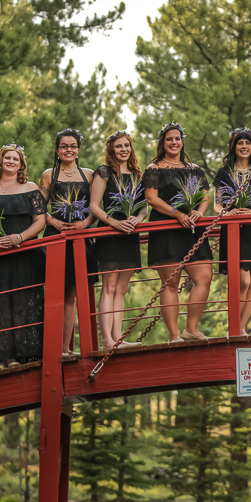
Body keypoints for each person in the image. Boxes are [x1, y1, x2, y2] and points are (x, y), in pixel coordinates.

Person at [0, 144, 47, 371]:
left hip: (26, 256)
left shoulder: (30, 188)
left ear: (21, 164)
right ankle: (1, 359)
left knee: (23, 303)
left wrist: (19, 238)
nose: (11, 162)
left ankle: (21, 357)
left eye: (15, 159)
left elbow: (40, 221)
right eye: (8, 158)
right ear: (0, 161)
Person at [143, 122, 213, 342]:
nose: (174, 142)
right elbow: (151, 198)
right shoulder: (154, 169)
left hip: (192, 228)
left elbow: (205, 196)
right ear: (163, 143)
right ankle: (174, 335)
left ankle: (191, 329)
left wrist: (200, 212)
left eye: (177, 139)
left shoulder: (195, 169)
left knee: (204, 277)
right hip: (166, 228)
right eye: (169, 139)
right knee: (171, 283)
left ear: (182, 142)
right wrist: (176, 214)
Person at [40, 128, 96, 358]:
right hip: (56, 237)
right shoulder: (48, 175)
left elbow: (95, 207)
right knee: (55, 294)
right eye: (64, 146)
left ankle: (65, 349)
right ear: (57, 150)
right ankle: (51, 350)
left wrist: (85, 224)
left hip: (80, 238)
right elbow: (38, 208)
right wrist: (54, 222)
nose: (68, 150)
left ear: (78, 149)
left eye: (73, 146)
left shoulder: (89, 175)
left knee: (71, 296)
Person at [89, 130, 146, 350]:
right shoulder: (104, 172)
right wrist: (114, 223)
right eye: (119, 146)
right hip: (110, 233)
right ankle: (107, 340)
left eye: (127, 145)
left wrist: (138, 219)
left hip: (130, 234)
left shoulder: (137, 174)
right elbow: (94, 206)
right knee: (109, 287)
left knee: (122, 289)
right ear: (111, 149)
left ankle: (118, 338)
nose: (124, 149)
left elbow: (144, 208)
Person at [213, 127, 251, 335]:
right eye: (240, 143)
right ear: (234, 146)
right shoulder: (223, 173)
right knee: (242, 281)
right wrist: (226, 213)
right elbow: (217, 205)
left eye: (247, 143)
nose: (244, 146)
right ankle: (233, 328)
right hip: (232, 230)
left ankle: (241, 329)